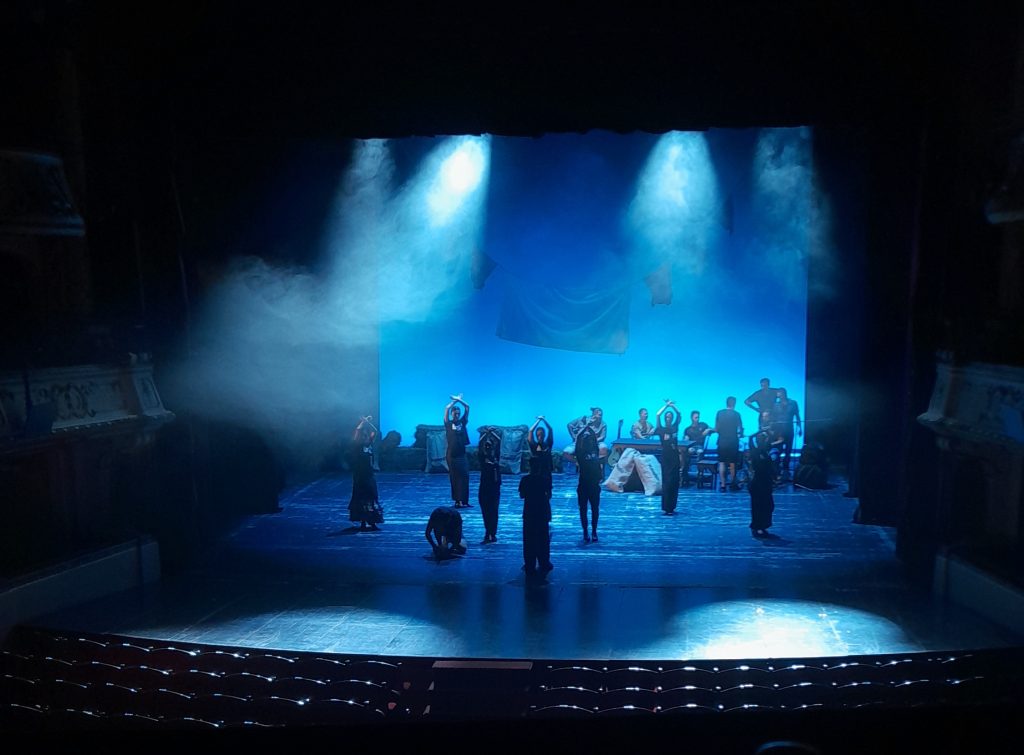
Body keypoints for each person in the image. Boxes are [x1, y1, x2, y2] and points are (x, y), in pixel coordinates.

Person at [519, 456, 553, 580]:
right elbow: (549, 495)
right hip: (542, 512)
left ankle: (530, 564)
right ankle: (544, 562)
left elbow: (522, 495)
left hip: (529, 512)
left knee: (528, 540)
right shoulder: (545, 480)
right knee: (543, 539)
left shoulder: (525, 480)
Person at [347, 416, 384, 531]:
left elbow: (375, 432)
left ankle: (372, 522)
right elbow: (357, 431)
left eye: (366, 436)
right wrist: (363, 423)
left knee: (371, 497)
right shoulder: (357, 446)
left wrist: (368, 422)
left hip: (369, 475)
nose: (365, 437)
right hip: (360, 476)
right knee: (361, 497)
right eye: (363, 436)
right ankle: (363, 522)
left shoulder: (369, 446)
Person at [575, 421, 602, 542]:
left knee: (595, 509)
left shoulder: (595, 451)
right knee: (583, 509)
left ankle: (594, 531)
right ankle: (585, 531)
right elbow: (577, 440)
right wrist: (585, 428)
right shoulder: (580, 454)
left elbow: (595, 439)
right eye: (587, 439)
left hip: (594, 485)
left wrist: (589, 428)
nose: (589, 440)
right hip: (583, 485)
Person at [443, 394, 471, 508]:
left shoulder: (462, 422)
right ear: (452, 414)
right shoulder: (448, 424)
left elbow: (467, 407)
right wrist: (454, 401)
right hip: (452, 455)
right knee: (455, 478)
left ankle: (464, 500)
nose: (457, 415)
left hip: (461, 454)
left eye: (458, 413)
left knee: (465, 476)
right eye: (455, 413)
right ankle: (457, 501)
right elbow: (446, 408)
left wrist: (459, 399)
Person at [655, 400, 682, 515]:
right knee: (667, 481)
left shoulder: (675, 427)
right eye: (667, 417)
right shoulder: (661, 429)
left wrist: (673, 406)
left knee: (674, 481)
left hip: (674, 456)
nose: (669, 418)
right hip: (666, 457)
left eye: (670, 417)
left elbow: (679, 414)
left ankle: (672, 506)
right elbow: (657, 414)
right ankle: (666, 506)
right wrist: (666, 406)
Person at [747, 430, 777, 538]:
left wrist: (765, 432)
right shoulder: (755, 451)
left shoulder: (766, 451)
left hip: (766, 482)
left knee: (768, 505)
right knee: (758, 505)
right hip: (758, 482)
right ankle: (758, 526)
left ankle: (763, 525)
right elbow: (750, 438)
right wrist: (763, 431)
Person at [772, 387, 802, 480]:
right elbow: (773, 418)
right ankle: (777, 470)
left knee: (788, 451)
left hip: (789, 430)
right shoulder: (776, 405)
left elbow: (797, 416)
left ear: (783, 393)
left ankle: (786, 469)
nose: (777, 395)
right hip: (779, 431)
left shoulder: (793, 403)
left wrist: (800, 428)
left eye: (778, 393)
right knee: (778, 450)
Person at [714, 397, 744, 492]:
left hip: (722, 441)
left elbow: (716, 429)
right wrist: (740, 434)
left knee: (722, 462)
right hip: (733, 441)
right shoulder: (737, 414)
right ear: (734, 404)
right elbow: (740, 429)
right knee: (732, 463)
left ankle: (723, 485)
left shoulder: (719, 413)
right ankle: (732, 484)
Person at [477, 427, 502, 543]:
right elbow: (480, 443)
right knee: (486, 512)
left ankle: (492, 533)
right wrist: (486, 434)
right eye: (486, 446)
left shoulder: (496, 457)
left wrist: (491, 433)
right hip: (484, 489)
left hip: (494, 489)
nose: (487, 447)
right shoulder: (483, 458)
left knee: (493, 511)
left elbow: (499, 441)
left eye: (489, 446)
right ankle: (488, 532)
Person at [682, 410, 712, 485]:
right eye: (696, 417)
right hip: (691, 446)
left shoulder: (703, 425)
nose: (697, 419)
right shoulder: (688, 429)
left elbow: (713, 429)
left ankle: (699, 473)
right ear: (692, 418)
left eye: (698, 417)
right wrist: (686, 439)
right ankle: (685, 473)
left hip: (700, 446)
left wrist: (708, 430)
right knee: (688, 451)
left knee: (699, 452)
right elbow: (685, 440)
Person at [528, 415, 554, 482]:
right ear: (536, 436)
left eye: (542, 434)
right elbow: (530, 431)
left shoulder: (548, 444)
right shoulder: (534, 445)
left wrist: (543, 420)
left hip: (546, 471)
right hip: (535, 471)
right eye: (538, 435)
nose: (540, 436)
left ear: (544, 435)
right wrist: (539, 420)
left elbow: (550, 429)